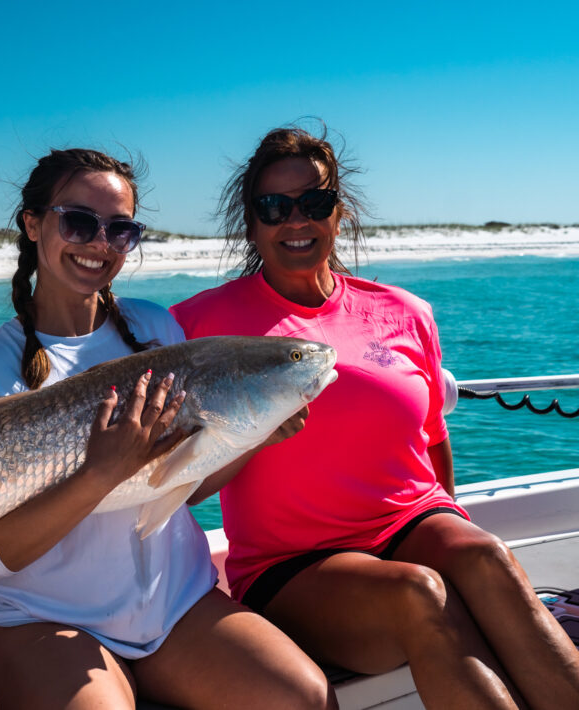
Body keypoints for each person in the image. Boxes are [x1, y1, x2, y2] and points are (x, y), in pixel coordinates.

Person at [170, 125, 579, 709]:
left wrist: (454, 529)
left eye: (314, 203)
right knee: (419, 593)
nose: (296, 220)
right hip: (294, 565)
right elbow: (164, 464)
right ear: (251, 220)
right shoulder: (195, 325)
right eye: (274, 207)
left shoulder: (405, 312)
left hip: (413, 521)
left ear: (339, 212)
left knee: (485, 555)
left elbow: (434, 441)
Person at [0, 148, 335, 710]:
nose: (99, 243)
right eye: (79, 221)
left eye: (120, 230)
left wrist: (255, 436)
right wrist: (100, 473)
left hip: (177, 606)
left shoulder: (155, 327)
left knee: (306, 697)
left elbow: (181, 485)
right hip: (46, 623)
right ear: (32, 224)